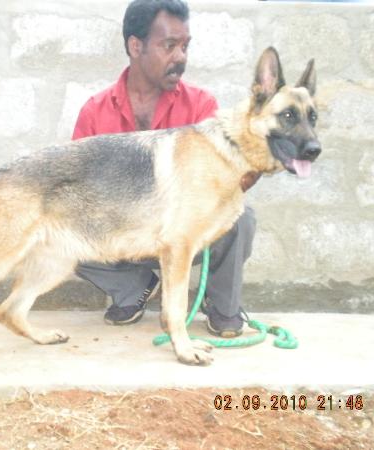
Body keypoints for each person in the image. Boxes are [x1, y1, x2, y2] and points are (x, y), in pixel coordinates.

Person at [72, 0, 255, 337]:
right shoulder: (95, 112)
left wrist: (246, 170)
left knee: (240, 215)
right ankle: (134, 287)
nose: (181, 57)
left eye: (185, 46)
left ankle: (221, 304)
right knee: (63, 226)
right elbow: (77, 190)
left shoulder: (202, 106)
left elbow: (220, 186)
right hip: (126, 233)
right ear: (135, 45)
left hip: (183, 233)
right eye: (169, 46)